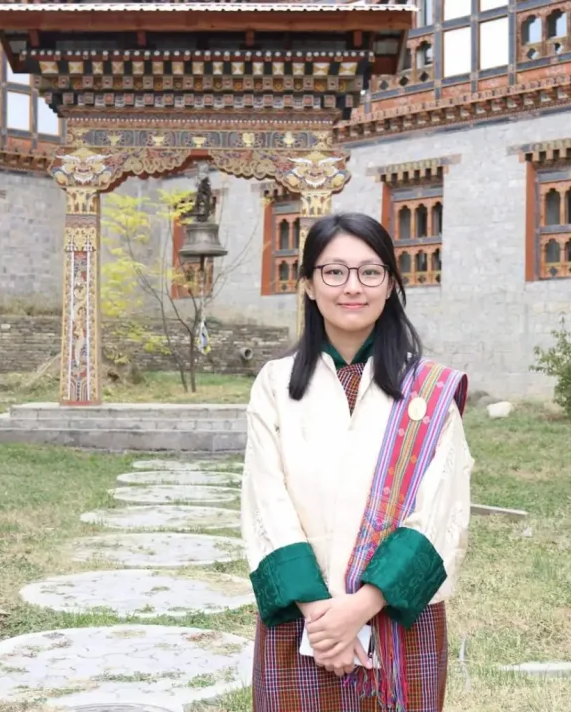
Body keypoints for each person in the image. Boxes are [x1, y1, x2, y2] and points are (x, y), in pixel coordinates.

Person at [241, 212, 474, 712]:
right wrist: (323, 617)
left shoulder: (430, 391)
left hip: (397, 619)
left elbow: (440, 509)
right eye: (334, 272)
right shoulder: (275, 385)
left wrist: (362, 607)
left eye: (370, 272)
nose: (353, 287)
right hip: (301, 620)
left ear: (390, 284)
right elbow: (266, 500)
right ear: (307, 284)